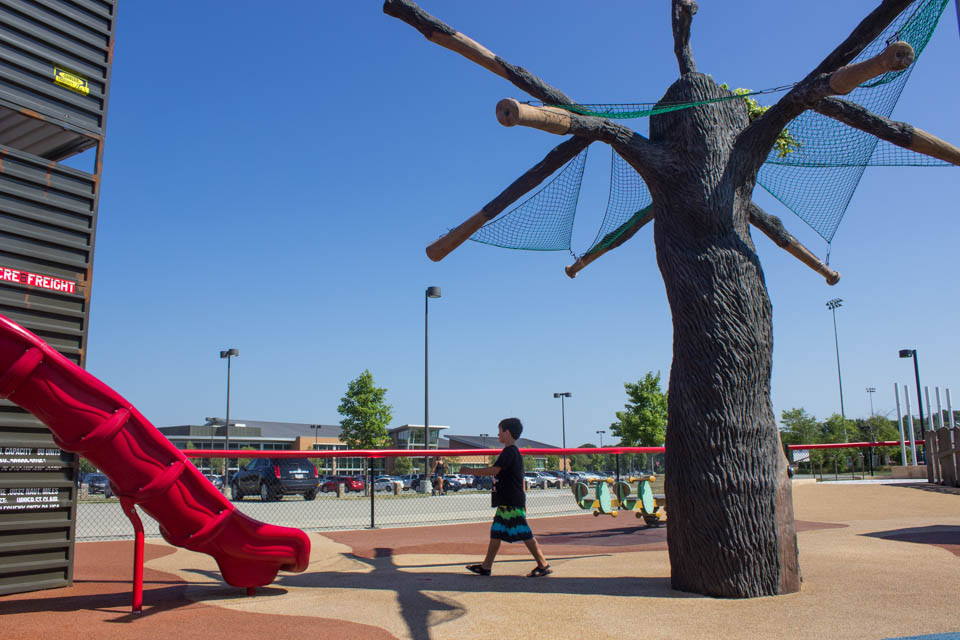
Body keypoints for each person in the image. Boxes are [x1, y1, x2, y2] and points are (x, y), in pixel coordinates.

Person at [465, 417, 551, 577]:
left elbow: (495, 470)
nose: (498, 434)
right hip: (507, 502)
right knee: (496, 532)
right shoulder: (513, 452)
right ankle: (486, 566)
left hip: (511, 502)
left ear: (507, 432)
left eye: (500, 431)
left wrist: (471, 470)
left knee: (524, 532)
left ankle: (543, 564)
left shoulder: (510, 451)